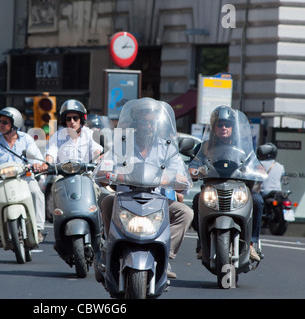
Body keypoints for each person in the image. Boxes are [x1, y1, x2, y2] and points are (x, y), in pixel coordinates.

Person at [97, 98, 193, 279]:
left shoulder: (167, 149)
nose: (148, 126)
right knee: (107, 201)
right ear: (135, 124)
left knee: (186, 213)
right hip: (126, 198)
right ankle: (109, 247)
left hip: (158, 201)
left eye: (151, 123)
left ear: (157, 125)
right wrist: (112, 174)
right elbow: (103, 169)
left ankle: (166, 253)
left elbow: (181, 177)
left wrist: (173, 180)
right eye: (143, 122)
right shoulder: (121, 146)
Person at [189, 105, 264, 262]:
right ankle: (202, 243)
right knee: (197, 200)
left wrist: (259, 169)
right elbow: (194, 164)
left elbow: (254, 162)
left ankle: (251, 243)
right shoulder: (205, 146)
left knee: (257, 201)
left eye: (227, 124)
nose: (224, 128)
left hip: (239, 188)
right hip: (212, 187)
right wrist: (193, 170)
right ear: (214, 127)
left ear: (233, 127)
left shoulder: (243, 146)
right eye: (220, 124)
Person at [0, 107, 46, 242]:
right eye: (0, 121)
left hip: (24, 178)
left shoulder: (26, 139)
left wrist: (37, 163)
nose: (1, 125)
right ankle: (0, 231)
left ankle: (37, 229)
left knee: (36, 192)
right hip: (1, 181)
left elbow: (35, 155)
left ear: (15, 124)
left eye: (5, 122)